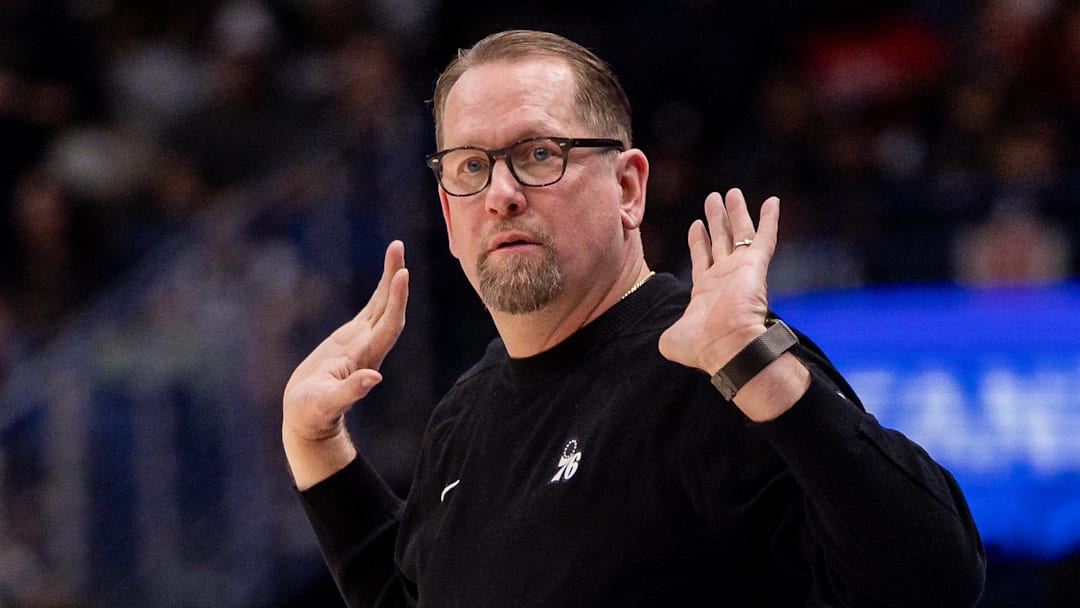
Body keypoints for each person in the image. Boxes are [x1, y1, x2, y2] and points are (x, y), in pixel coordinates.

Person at [282, 29, 985, 607]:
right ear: (447, 210)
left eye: (537, 155)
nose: (501, 194)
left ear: (628, 186)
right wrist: (318, 449)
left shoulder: (713, 366)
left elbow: (934, 581)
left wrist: (753, 361)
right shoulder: (462, 418)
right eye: (470, 166)